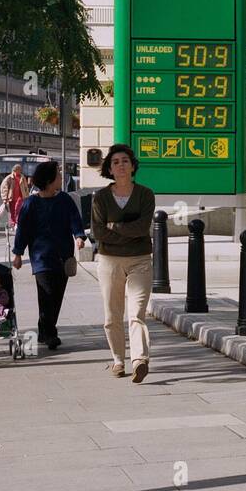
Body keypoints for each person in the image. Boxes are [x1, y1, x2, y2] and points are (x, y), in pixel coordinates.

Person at [91, 143, 155, 382]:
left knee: (137, 313)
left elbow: (143, 227)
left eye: (125, 161)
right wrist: (128, 230)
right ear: (109, 167)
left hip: (140, 259)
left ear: (132, 166)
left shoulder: (145, 194)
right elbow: (98, 232)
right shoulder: (101, 197)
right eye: (115, 162)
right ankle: (118, 360)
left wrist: (115, 226)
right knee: (112, 315)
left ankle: (139, 360)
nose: (120, 165)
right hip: (109, 261)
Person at [12, 159, 84, 351]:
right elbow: (23, 231)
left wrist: (79, 236)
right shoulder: (31, 203)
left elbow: (75, 219)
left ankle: (44, 329)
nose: (61, 178)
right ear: (50, 180)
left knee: (57, 295)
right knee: (46, 294)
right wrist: (18, 253)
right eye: (58, 175)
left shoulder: (64, 200)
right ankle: (50, 333)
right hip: (41, 257)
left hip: (63, 256)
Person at [0, 163, 28, 231]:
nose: (19, 171)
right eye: (18, 169)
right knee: (12, 211)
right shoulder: (9, 178)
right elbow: (4, 188)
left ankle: (17, 223)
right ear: (14, 170)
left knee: (18, 209)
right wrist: (4, 198)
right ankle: (12, 224)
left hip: (21, 197)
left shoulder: (22, 177)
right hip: (11, 197)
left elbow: (26, 187)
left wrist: (27, 196)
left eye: (20, 169)